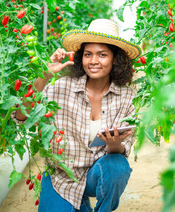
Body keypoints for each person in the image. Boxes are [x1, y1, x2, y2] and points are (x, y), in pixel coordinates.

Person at [12, 19, 142, 211]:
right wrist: (44, 75)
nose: (94, 61)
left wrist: (114, 144)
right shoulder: (62, 87)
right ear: (81, 57)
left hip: (96, 175)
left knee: (117, 167)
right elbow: (22, 115)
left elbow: (123, 150)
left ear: (115, 59)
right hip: (61, 177)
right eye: (88, 54)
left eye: (102, 55)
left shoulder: (127, 97)